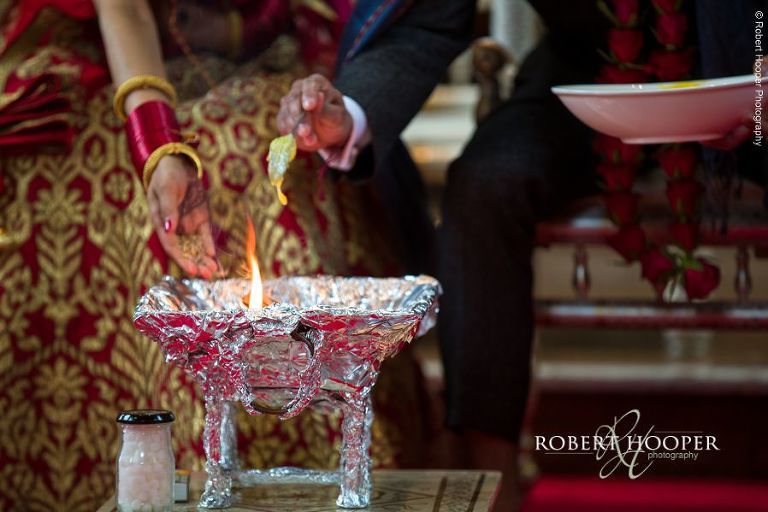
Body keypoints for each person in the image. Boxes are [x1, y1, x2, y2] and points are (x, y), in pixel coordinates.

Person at [278, 0, 766, 509]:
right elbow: (425, 18)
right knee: (485, 184)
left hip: (750, 72)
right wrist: (350, 114)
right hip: (590, 81)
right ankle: (491, 475)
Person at [0, 1, 427, 510]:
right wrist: (161, 151)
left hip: (240, 45)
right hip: (91, 55)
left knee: (262, 143)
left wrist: (231, 30)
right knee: (73, 174)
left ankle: (308, 463)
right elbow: (125, 11)